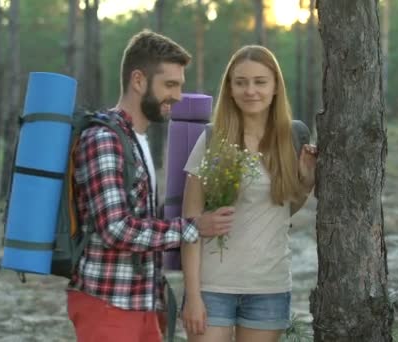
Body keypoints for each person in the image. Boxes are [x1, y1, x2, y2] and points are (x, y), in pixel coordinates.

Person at [66, 30, 236, 342]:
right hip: (107, 303)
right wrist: (193, 227)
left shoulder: (136, 140)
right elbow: (115, 229)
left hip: (142, 303)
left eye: (180, 85)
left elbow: (142, 224)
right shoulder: (104, 138)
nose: (178, 95)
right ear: (138, 80)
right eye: (169, 84)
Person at [180, 45, 317, 342]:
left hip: (268, 287)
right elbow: (189, 225)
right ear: (229, 89)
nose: (250, 90)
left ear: (275, 87)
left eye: (260, 81)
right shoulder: (212, 141)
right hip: (212, 287)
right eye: (240, 82)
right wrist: (192, 296)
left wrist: (305, 184)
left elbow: (279, 210)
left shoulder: (290, 140)